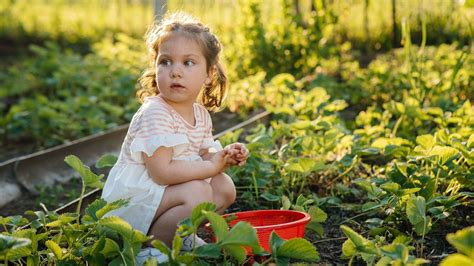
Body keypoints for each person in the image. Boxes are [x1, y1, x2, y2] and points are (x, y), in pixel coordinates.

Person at [101, 11, 249, 264]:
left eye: (188, 63)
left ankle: (179, 235)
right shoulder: (155, 112)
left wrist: (223, 157)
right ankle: (149, 249)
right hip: (130, 206)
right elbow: (162, 173)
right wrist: (211, 165)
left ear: (209, 74)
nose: (175, 72)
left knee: (223, 187)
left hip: (161, 197)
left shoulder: (200, 114)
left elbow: (203, 156)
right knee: (198, 191)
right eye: (165, 62)